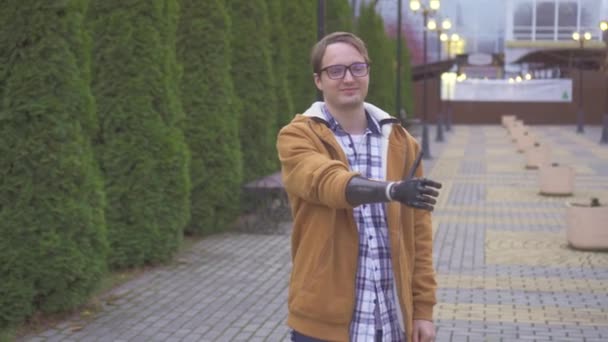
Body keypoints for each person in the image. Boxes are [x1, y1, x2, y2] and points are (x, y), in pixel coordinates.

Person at [276, 31, 442, 342]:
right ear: (318, 81)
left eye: (357, 67)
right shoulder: (298, 136)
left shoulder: (403, 144)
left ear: (368, 71)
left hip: (391, 318)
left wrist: (422, 311)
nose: (348, 78)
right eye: (335, 70)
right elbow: (324, 181)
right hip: (322, 321)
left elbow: (419, 235)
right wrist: (390, 191)